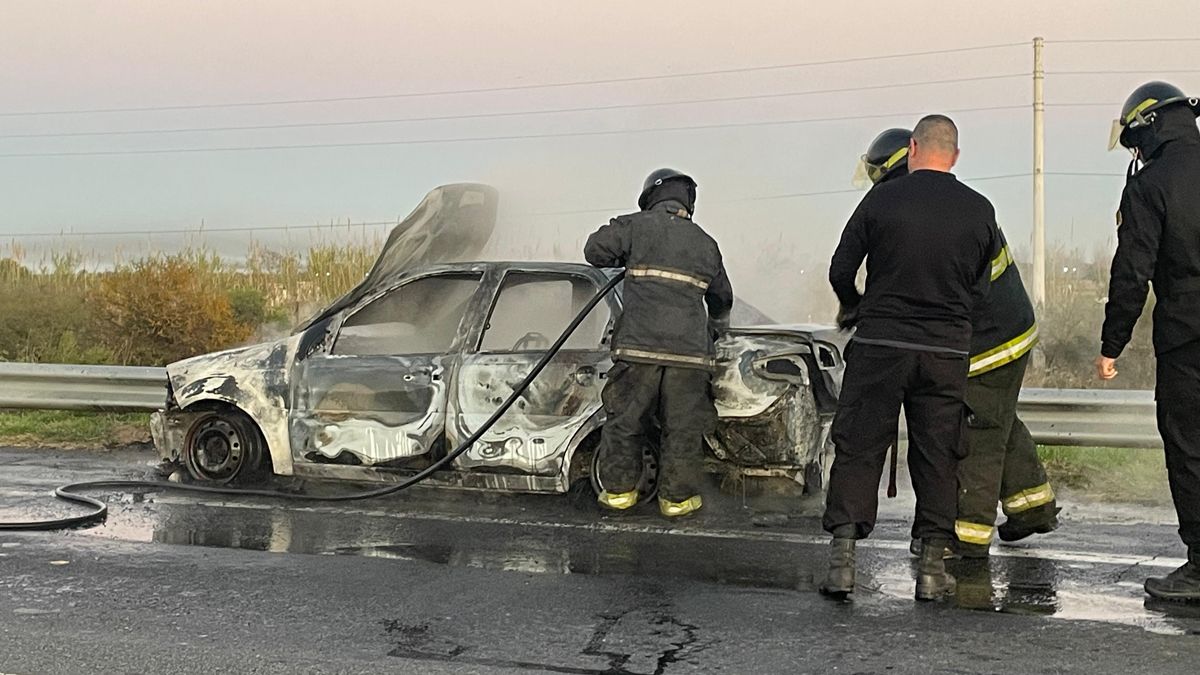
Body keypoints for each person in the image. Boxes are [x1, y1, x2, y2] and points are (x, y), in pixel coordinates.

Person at [821, 115, 998, 601]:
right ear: (955, 155)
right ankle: (931, 571)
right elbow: (983, 288)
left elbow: (841, 267)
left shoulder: (882, 198)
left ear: (914, 148)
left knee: (859, 444)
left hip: (881, 344)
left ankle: (842, 563)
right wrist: (956, 323)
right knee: (939, 454)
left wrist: (855, 305)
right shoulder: (980, 209)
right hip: (945, 351)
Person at [859, 127, 1059, 559]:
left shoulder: (922, 217)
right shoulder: (955, 208)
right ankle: (1034, 507)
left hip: (987, 344)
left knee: (976, 434)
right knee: (997, 418)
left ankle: (965, 538)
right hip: (1009, 334)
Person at [1098, 81, 1200, 601]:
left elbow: (1132, 274)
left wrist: (1112, 344)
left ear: (1148, 129)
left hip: (1188, 337)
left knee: (1190, 449)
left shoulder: (1151, 186)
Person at [584, 168, 734, 519]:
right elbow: (722, 299)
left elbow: (594, 250)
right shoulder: (706, 243)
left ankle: (619, 494)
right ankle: (677, 501)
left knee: (626, 421)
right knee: (683, 428)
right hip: (690, 357)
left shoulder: (635, 226)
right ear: (688, 205)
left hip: (639, 350)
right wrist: (716, 330)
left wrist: (626, 250)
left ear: (650, 197)